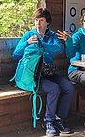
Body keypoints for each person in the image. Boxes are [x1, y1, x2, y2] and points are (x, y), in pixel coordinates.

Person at [12, 8, 74, 136]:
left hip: (49, 72)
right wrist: (27, 43)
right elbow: (15, 54)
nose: (38, 23)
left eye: (41, 20)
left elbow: (59, 47)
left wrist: (42, 43)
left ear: (47, 23)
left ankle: (59, 118)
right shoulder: (29, 35)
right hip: (33, 75)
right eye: (36, 20)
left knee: (69, 87)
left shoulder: (51, 35)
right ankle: (48, 122)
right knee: (54, 89)